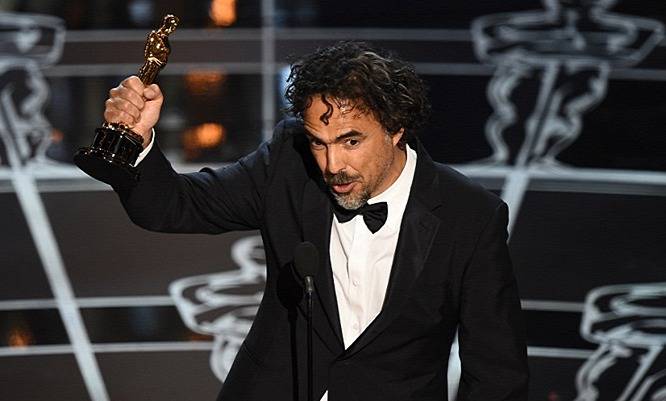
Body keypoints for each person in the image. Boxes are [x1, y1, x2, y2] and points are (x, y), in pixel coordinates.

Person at [102, 41, 528, 401]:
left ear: (396, 127)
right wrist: (136, 140)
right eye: (318, 143)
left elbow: (497, 375)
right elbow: (173, 206)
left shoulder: (470, 217)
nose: (332, 165)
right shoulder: (289, 164)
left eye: (350, 141)